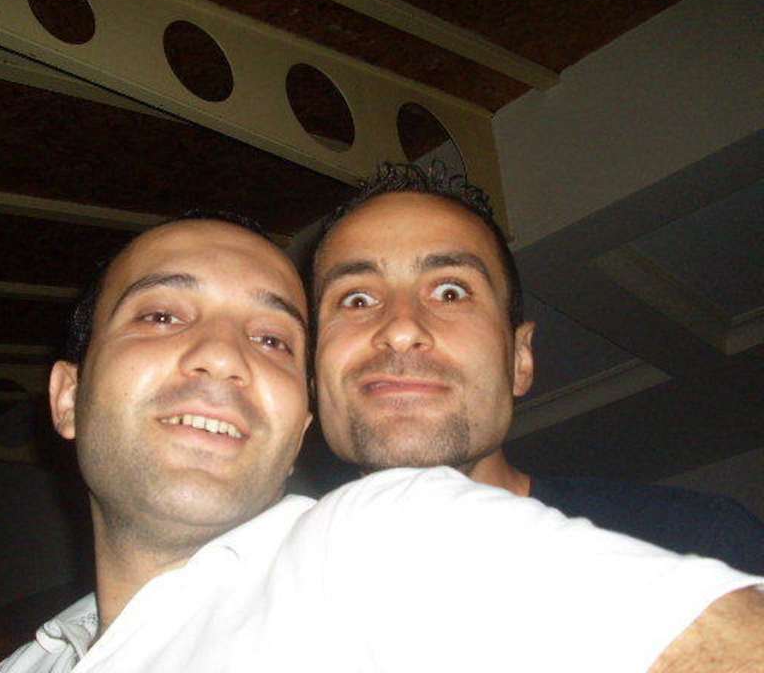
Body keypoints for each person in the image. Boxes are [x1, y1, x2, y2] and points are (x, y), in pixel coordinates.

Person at [0, 212, 763, 672]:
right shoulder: (32, 659)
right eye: (161, 316)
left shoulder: (383, 534)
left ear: (297, 429)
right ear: (67, 396)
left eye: (271, 339)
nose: (223, 357)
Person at [311, 161, 764, 575]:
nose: (401, 329)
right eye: (357, 299)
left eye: (451, 292)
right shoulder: (270, 595)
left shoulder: (703, 549)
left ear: (519, 360)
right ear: (311, 376)